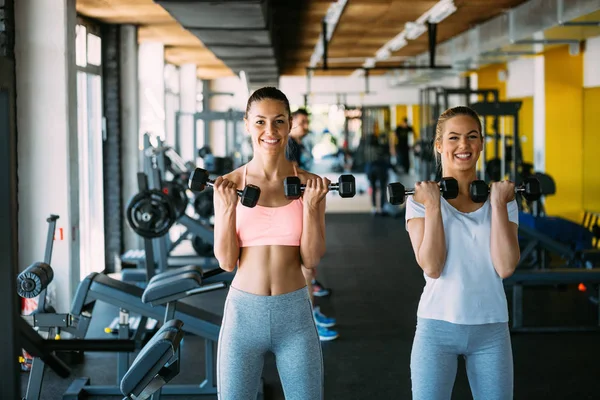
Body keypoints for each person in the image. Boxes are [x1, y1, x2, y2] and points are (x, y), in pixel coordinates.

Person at [214, 87, 330, 399]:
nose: (270, 130)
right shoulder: (230, 185)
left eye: (279, 121)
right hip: (243, 316)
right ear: (247, 124)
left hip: (293, 313)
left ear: (290, 124)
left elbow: (311, 259)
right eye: (261, 121)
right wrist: (226, 208)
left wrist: (311, 207)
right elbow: (226, 262)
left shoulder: (309, 184)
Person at [405, 106, 519, 400]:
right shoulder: (420, 201)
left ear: (481, 143)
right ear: (439, 145)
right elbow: (432, 266)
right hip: (436, 327)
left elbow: (505, 267)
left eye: (472, 136)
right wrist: (433, 207)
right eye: (453, 138)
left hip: (491, 329)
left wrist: (497, 206)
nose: (464, 145)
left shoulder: (502, 200)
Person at [286, 108, 338, 341]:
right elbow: (293, 178)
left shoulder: (298, 144)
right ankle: (309, 324)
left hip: (306, 205)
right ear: (291, 123)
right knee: (305, 270)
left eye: (307, 121)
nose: (305, 126)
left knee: (309, 268)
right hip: (297, 209)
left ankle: (309, 314)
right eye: (302, 122)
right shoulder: (289, 146)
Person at [363, 133, 392, 216]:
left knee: (373, 188)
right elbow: (386, 155)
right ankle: (383, 207)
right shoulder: (380, 148)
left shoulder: (367, 149)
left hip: (370, 169)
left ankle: (374, 207)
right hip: (380, 169)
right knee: (383, 188)